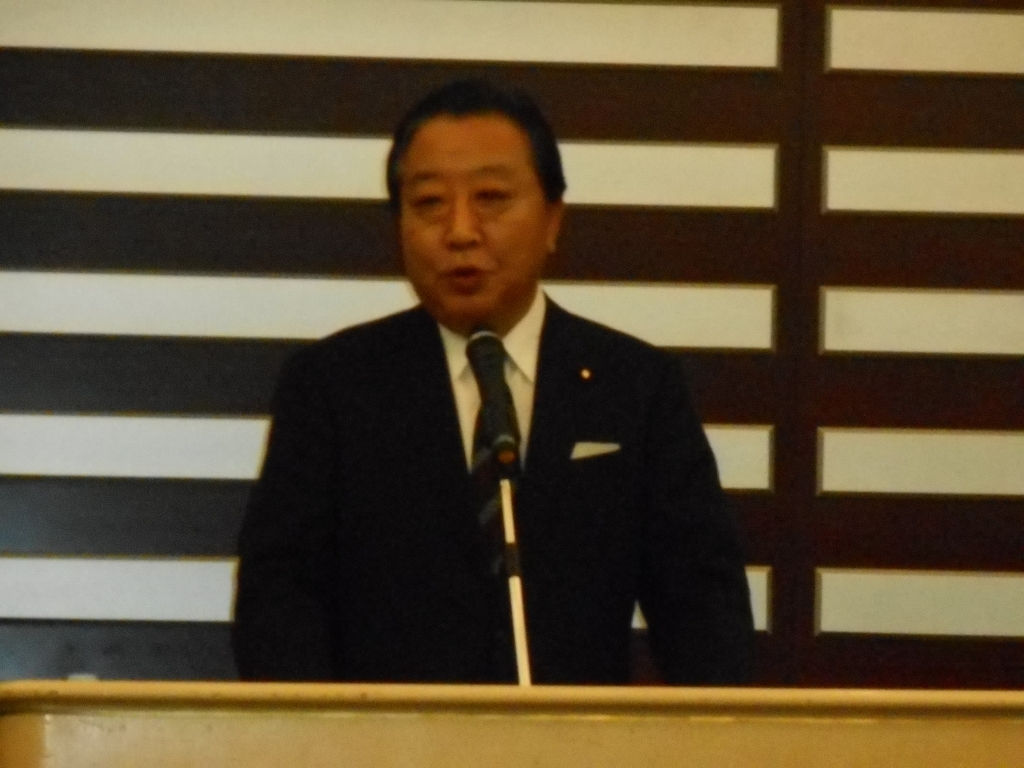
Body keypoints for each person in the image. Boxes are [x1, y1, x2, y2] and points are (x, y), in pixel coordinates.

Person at [232, 79, 754, 684]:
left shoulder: (636, 387)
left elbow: (704, 610)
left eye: (491, 198)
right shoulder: (332, 387)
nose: (460, 230)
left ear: (553, 218)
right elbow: (278, 606)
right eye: (429, 202)